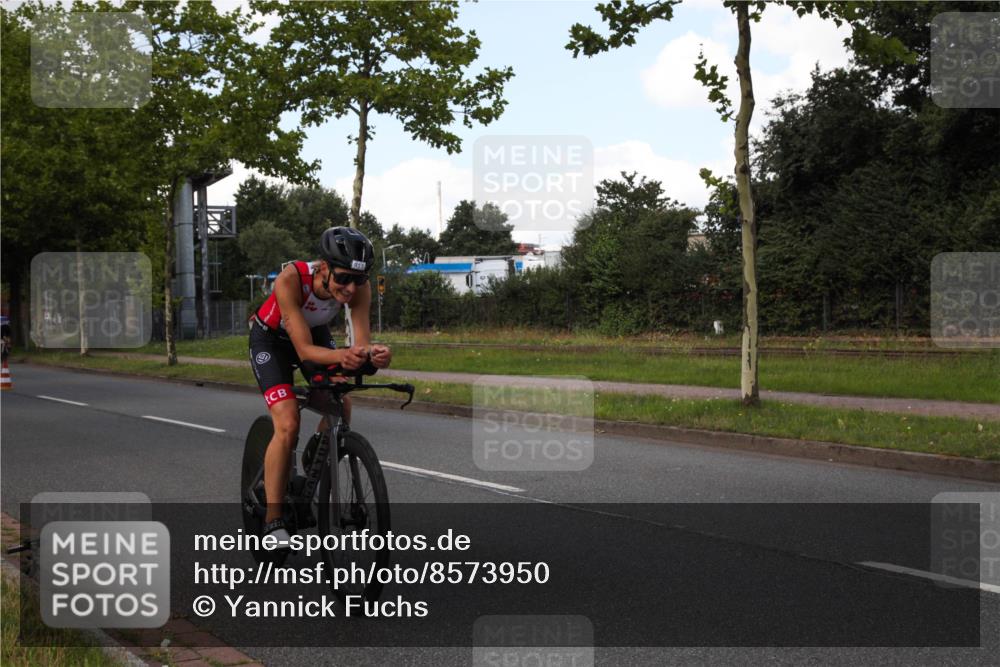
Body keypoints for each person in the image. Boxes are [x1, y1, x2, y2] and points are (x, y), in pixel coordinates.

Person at [248, 226, 392, 544]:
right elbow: (303, 351)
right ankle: (273, 519)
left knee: (342, 403)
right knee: (287, 422)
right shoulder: (291, 279)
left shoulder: (358, 288)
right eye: (343, 278)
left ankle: (315, 456)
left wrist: (374, 355)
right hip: (272, 341)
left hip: (315, 336)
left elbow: (361, 342)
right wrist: (343, 355)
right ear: (323, 268)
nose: (351, 288)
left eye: (358, 280)